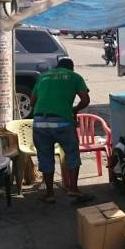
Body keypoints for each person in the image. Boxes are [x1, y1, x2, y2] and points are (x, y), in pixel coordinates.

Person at [31, 58, 91, 204]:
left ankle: (50, 194)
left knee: (45, 157)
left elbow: (32, 102)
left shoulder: (43, 77)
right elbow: (85, 100)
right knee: (72, 154)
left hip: (39, 123)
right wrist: (73, 109)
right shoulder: (75, 77)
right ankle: (73, 189)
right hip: (62, 122)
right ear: (72, 68)